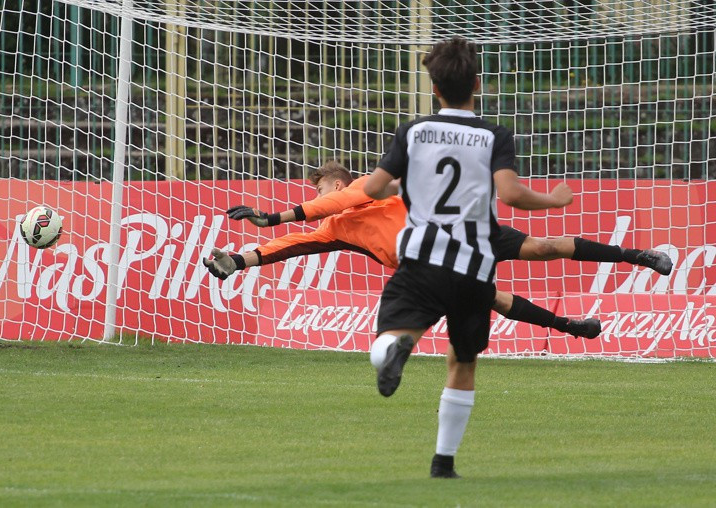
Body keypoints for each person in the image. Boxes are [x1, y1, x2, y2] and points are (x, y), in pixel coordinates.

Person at [358, 37, 618, 479]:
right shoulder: (492, 134)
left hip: (423, 259)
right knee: (463, 361)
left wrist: (399, 188)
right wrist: (554, 201)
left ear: (435, 88)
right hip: (474, 265)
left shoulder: (414, 132)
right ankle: (443, 463)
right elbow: (512, 194)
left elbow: (370, 189)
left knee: (385, 341)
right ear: (476, 84)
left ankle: (399, 346)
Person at [204, 161, 670, 337]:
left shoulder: (370, 188)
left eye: (324, 186)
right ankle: (570, 327)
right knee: (491, 298)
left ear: (340, 182)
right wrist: (239, 261)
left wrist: (275, 214)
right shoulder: (333, 230)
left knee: (544, 247)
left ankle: (640, 258)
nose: (323, 197)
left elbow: (336, 202)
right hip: (432, 264)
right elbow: (288, 246)